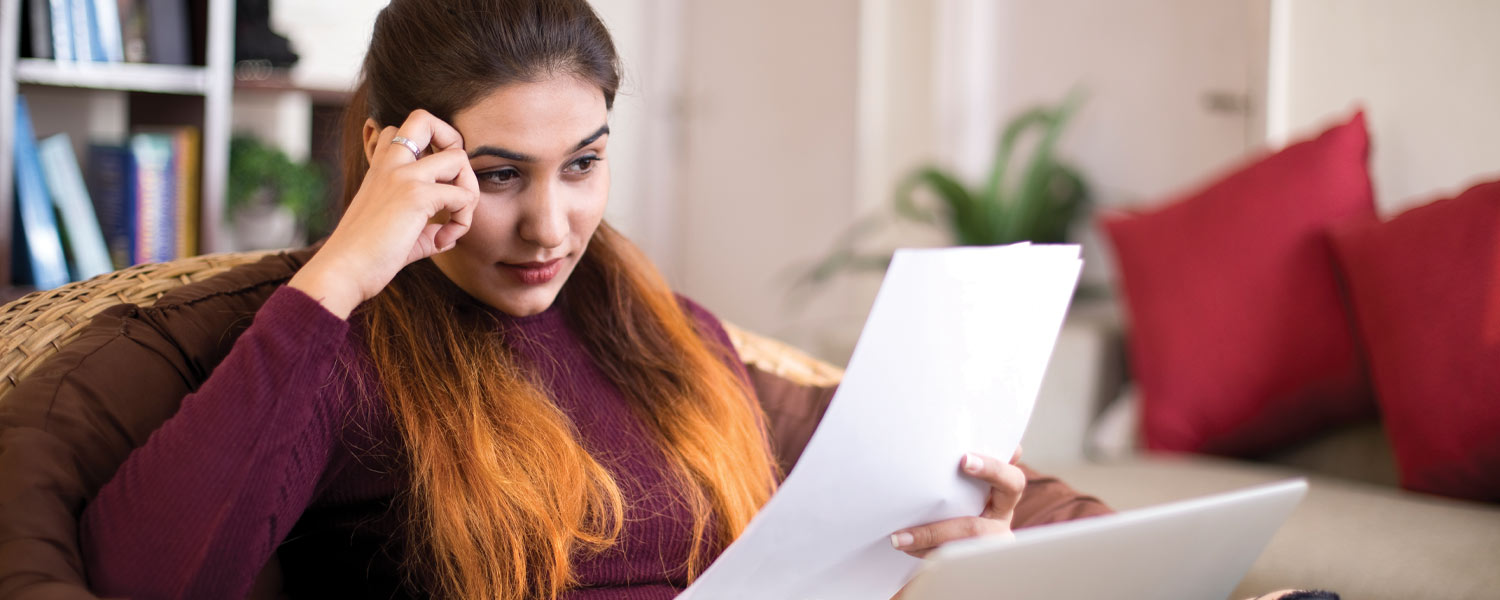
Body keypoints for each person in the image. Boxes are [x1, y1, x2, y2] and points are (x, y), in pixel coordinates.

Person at [74, 1, 1091, 598]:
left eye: (585, 165)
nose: (554, 228)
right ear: (397, 155)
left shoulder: (668, 333)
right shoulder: (340, 354)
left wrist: (969, 570)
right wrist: (341, 270)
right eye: (502, 175)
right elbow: (148, 579)